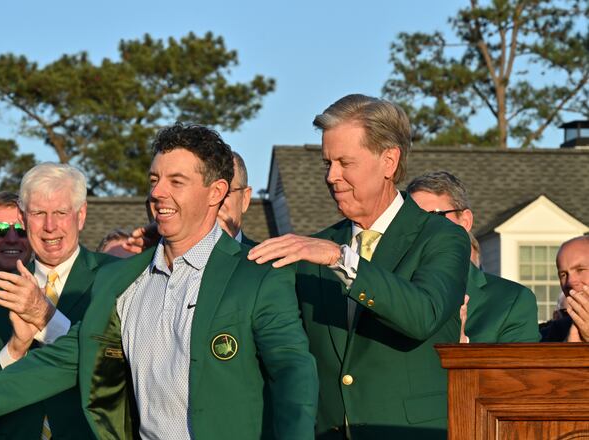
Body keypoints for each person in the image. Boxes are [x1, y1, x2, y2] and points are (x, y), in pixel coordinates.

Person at [0, 123, 318, 439]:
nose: (159, 193)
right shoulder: (121, 281)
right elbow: (62, 362)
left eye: (176, 181)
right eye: (154, 180)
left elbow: (294, 380)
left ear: (216, 191)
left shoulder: (257, 274)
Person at [247, 94, 470, 439]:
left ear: (389, 161)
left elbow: (423, 313)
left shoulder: (440, 238)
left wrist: (341, 260)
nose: (331, 176)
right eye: (327, 163)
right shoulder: (311, 251)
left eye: (345, 162)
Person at [0, 165, 115, 440]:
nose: (50, 227)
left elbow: (115, 369)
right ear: (23, 218)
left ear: (80, 215)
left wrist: (45, 316)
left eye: (60, 212)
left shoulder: (116, 279)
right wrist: (15, 348)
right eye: (38, 214)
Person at [407, 171, 540, 343]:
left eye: (434, 216)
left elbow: (518, 370)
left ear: (465, 222)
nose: (422, 229)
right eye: (413, 220)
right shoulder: (394, 291)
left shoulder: (512, 301)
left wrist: (462, 354)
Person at [123, 150, 257, 253]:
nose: (209, 201)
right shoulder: (148, 257)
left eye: (223, 192)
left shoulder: (267, 266)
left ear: (245, 199)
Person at [540, 236, 589, 342]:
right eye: (563, 274)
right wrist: (568, 350)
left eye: (580, 270)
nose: (570, 281)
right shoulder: (554, 333)